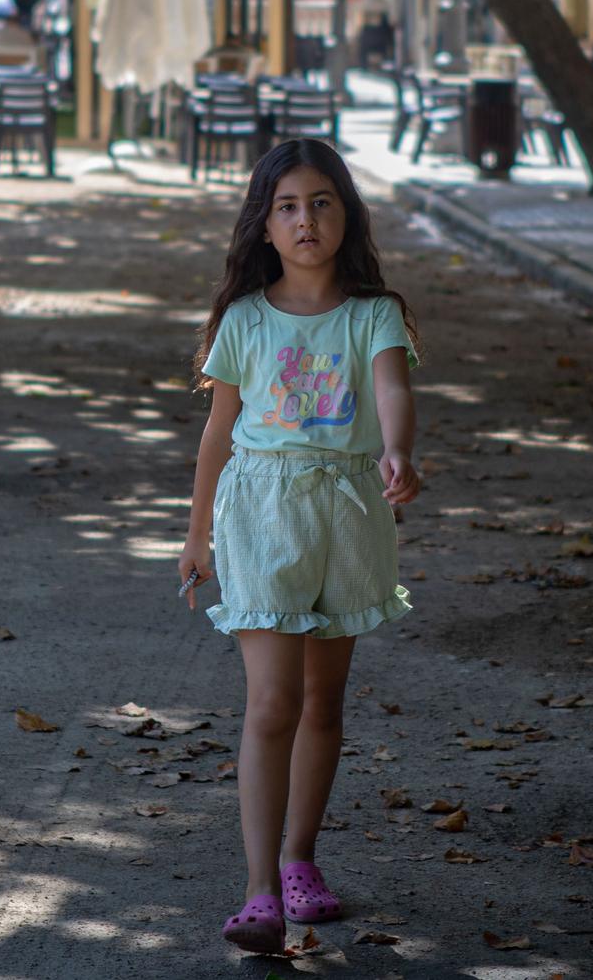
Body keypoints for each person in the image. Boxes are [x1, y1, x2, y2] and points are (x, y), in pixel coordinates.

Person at [179, 138, 421, 955]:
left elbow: (392, 383)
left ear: (344, 214)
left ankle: (300, 860)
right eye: (286, 205)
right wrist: (196, 532)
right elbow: (218, 433)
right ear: (265, 224)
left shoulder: (372, 312)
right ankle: (257, 891)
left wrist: (398, 448)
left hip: (348, 513)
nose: (304, 218)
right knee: (272, 702)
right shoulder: (244, 319)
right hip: (261, 515)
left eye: (320, 201)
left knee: (323, 702)